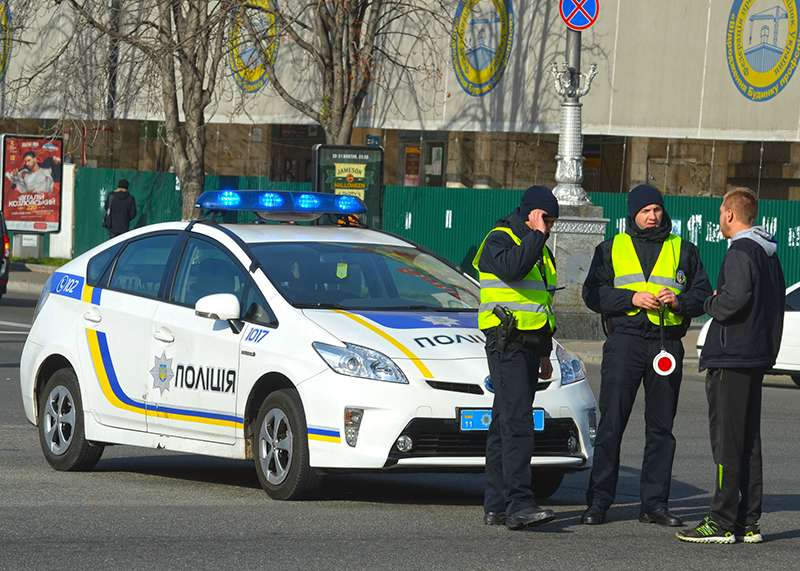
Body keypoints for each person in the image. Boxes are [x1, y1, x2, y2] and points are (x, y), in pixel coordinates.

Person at [581, 184, 712, 526]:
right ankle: (599, 501)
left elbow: (703, 294)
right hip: (625, 341)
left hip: (665, 343)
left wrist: (679, 301)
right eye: (645, 211)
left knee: (661, 428)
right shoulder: (611, 248)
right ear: (633, 215)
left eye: (656, 209)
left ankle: (654, 504)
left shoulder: (684, 249)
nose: (652, 216)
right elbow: (592, 294)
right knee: (611, 424)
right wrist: (631, 299)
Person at [677, 187, 785, 545]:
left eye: (721, 211)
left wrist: (710, 303)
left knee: (727, 441)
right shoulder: (768, 253)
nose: (718, 217)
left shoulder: (741, 250)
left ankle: (722, 520)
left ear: (729, 214)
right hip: (754, 356)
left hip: (732, 356)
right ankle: (748, 521)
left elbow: (734, 299)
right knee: (747, 442)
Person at [472, 185, 559, 531]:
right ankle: (520, 503)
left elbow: (542, 305)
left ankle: (495, 505)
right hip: (505, 342)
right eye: (546, 219)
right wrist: (536, 235)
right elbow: (514, 270)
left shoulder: (539, 247)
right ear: (532, 214)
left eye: (552, 222)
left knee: (503, 423)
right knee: (518, 422)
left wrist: (544, 353)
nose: (549, 227)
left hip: (529, 344)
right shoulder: (499, 238)